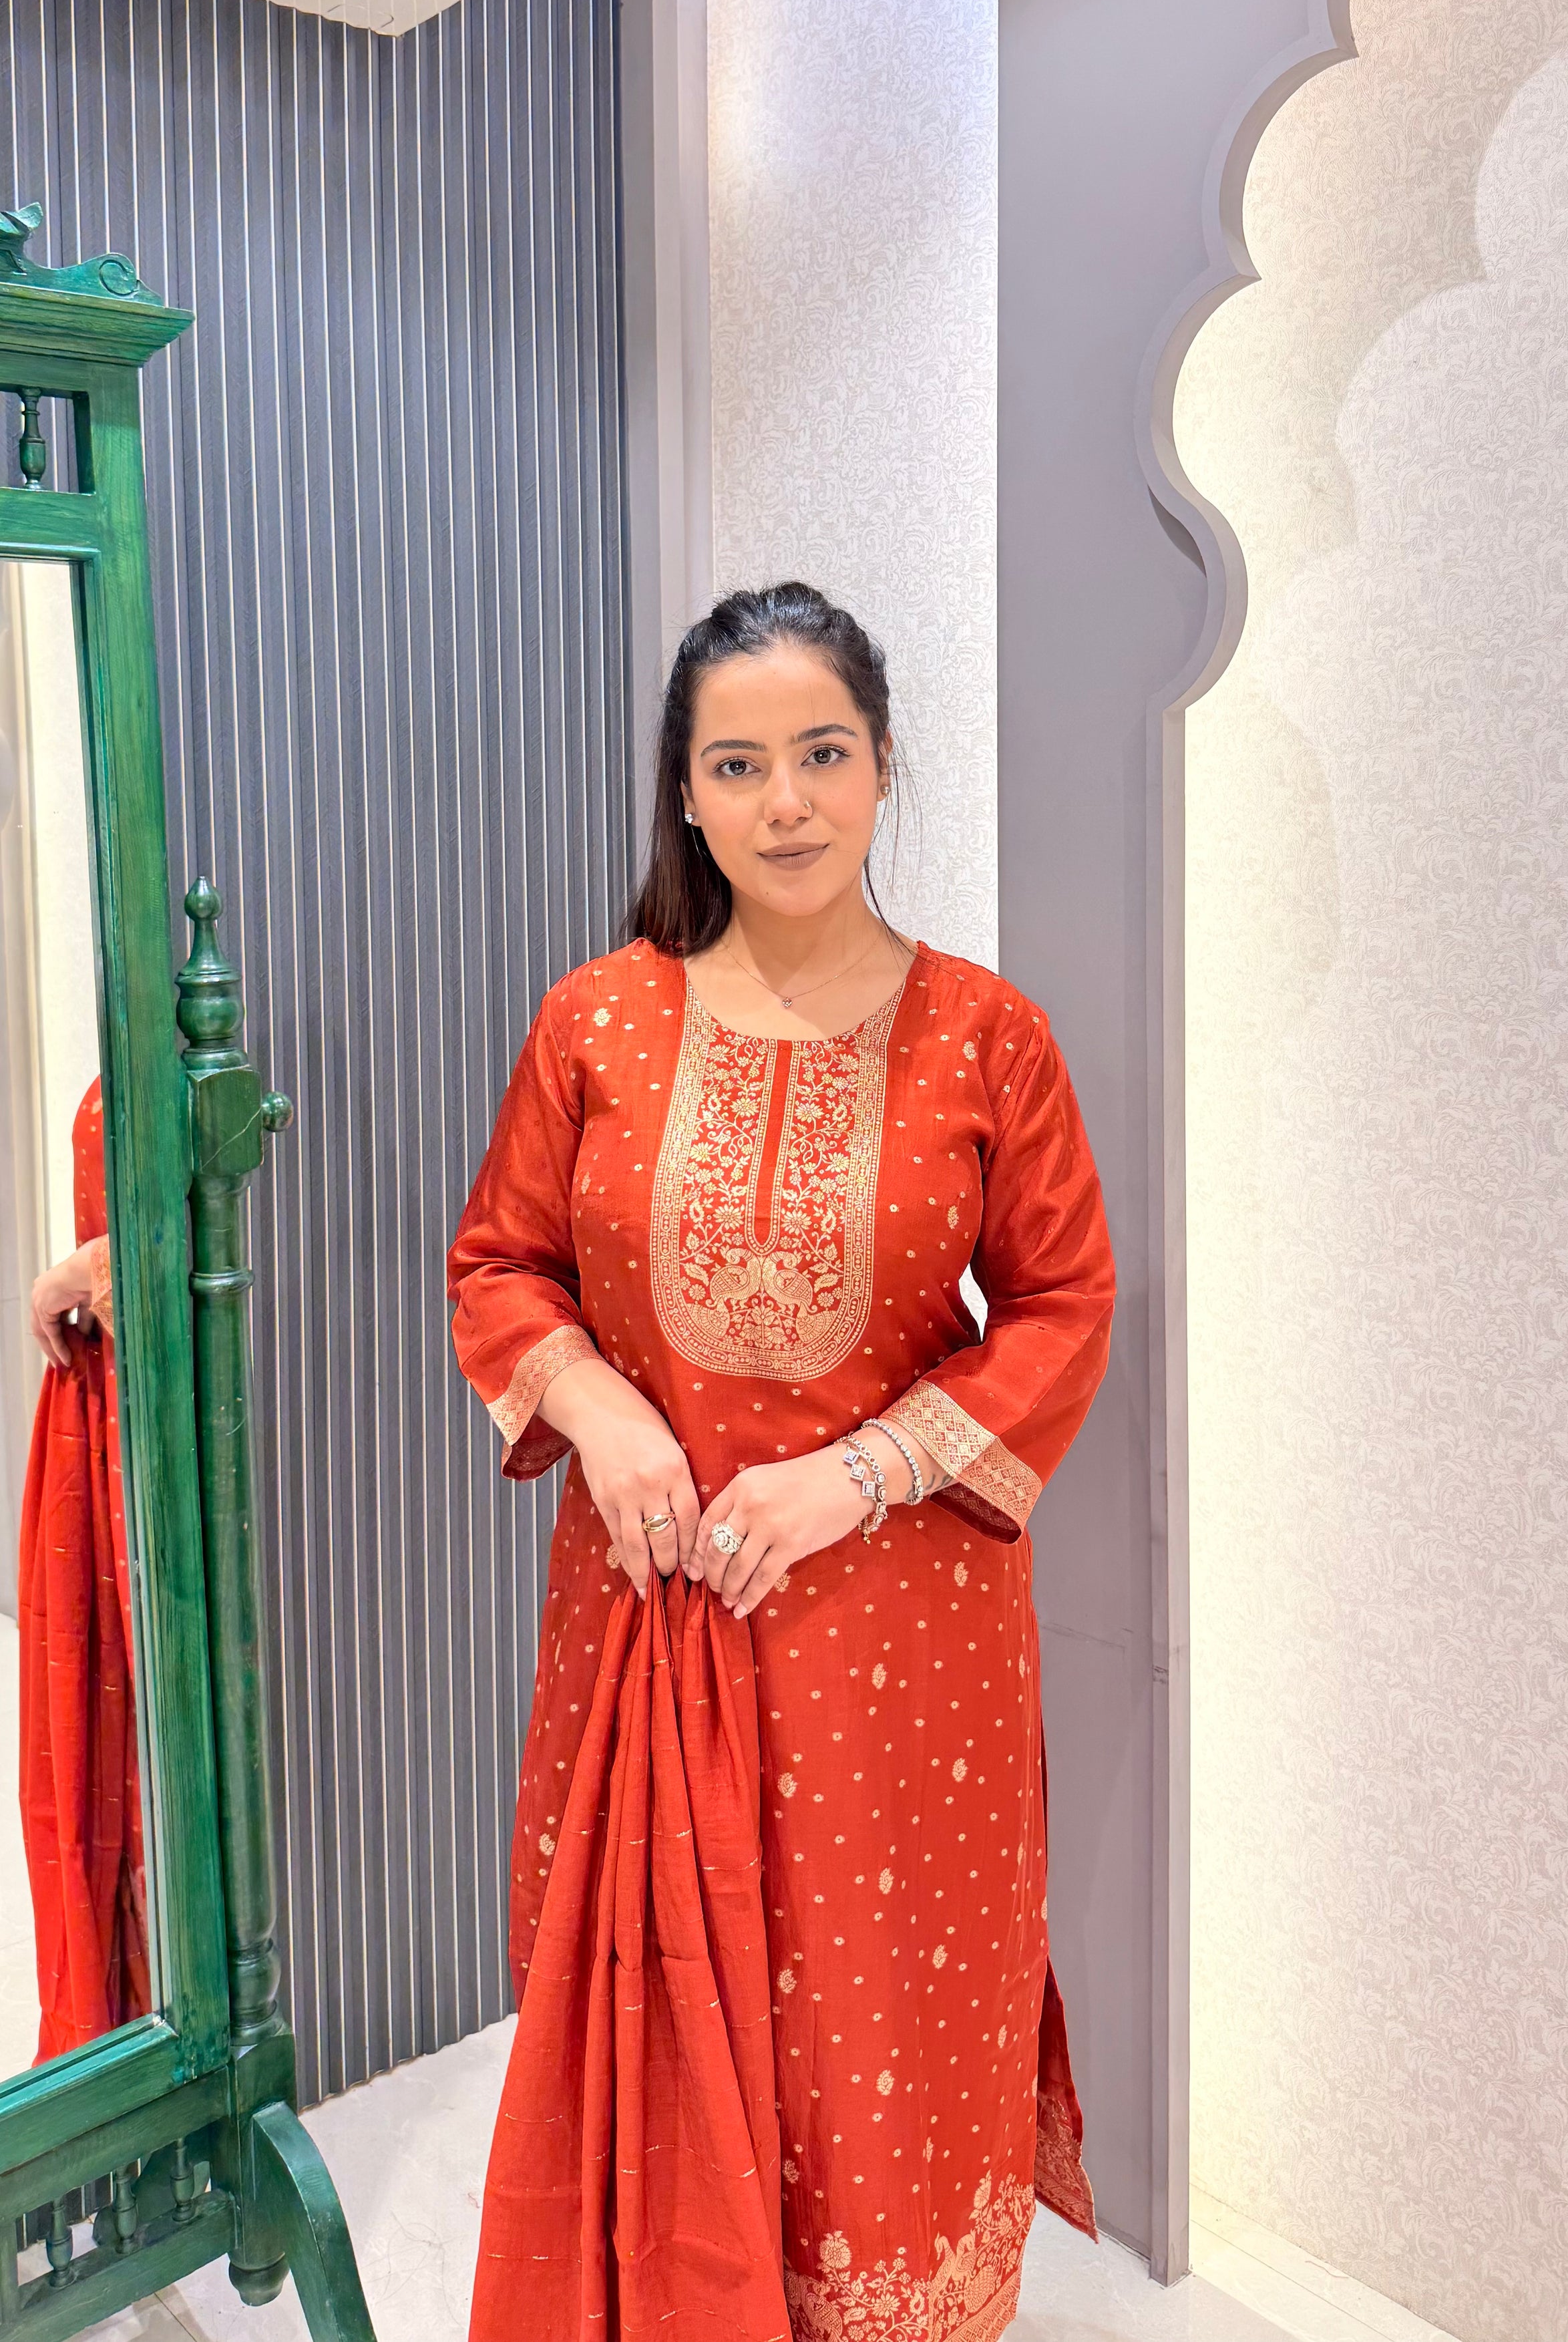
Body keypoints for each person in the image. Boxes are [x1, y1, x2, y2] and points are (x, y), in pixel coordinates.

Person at [449, 582, 1116, 2342]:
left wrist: (865, 1469)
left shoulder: (989, 1037)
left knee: (876, 2041)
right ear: (685, 791)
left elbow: (1063, 1305)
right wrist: (601, 1408)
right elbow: (500, 1264)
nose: (787, 801)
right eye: (738, 765)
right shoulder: (598, 1021)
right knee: (656, 2029)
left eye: (823, 753)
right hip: (651, 1629)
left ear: (883, 763)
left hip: (901, 1660)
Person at [21, 1076, 149, 2057]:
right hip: (103, 1404)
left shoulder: (205, 1036)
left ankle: (149, 2016)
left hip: (142, 1413)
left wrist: (86, 1271)